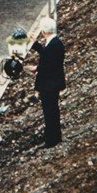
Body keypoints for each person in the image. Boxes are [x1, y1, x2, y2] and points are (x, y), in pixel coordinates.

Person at [29, 18, 66, 148]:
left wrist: (37, 72)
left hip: (49, 85)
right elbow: (47, 58)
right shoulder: (55, 43)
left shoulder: (53, 45)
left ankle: (52, 140)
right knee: (52, 111)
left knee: (49, 112)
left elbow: (47, 63)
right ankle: (55, 136)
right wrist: (35, 44)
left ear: (44, 31)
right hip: (54, 83)